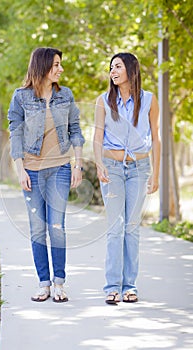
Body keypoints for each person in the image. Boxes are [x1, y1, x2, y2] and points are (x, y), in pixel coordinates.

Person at [8, 47, 85, 303]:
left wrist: (78, 165)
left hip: (60, 169)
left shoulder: (66, 96)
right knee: (37, 230)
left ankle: (59, 283)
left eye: (60, 64)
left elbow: (75, 130)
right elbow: (15, 133)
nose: (60, 69)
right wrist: (20, 170)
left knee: (57, 228)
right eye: (56, 64)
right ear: (42, 66)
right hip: (31, 171)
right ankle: (44, 284)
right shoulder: (21, 97)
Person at [93, 52, 161, 305]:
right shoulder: (103, 101)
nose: (113, 71)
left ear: (131, 69)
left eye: (118, 66)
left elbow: (156, 138)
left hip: (139, 168)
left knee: (132, 228)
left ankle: (129, 286)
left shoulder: (150, 100)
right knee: (115, 227)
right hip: (111, 168)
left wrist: (156, 172)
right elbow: (97, 137)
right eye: (111, 67)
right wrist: (99, 163)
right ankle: (112, 286)